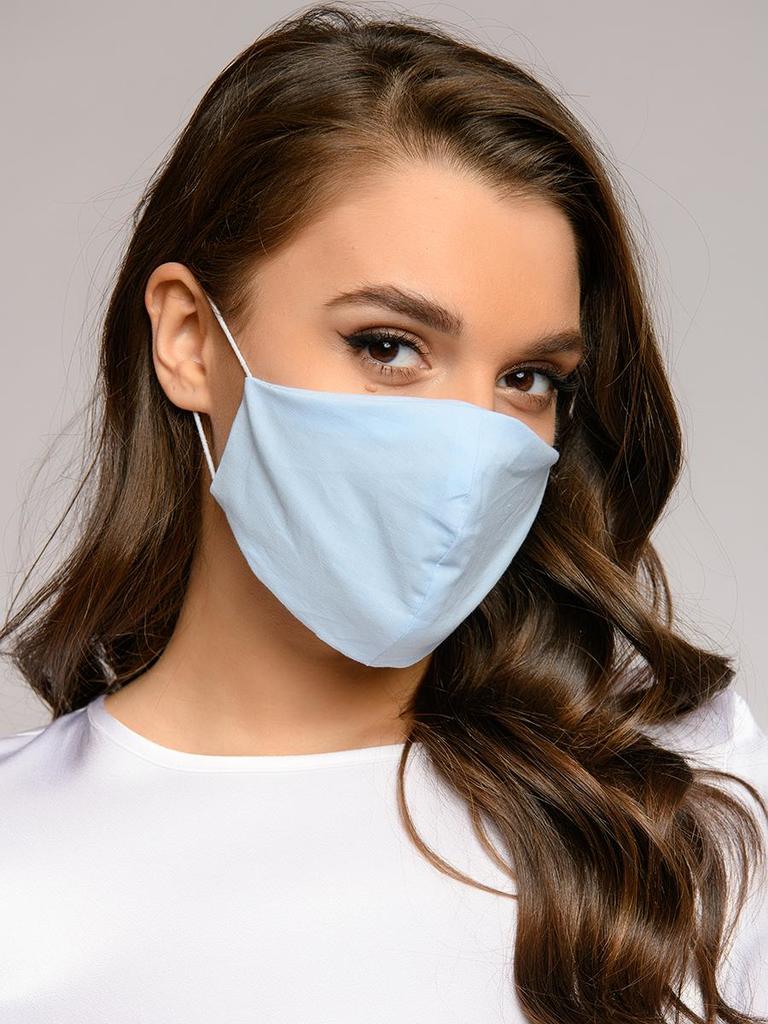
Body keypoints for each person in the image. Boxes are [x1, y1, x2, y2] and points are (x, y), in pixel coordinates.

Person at [1, 5, 766, 1022]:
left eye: (528, 377)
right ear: (190, 338)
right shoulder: (18, 852)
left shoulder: (680, 804)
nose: (470, 444)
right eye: (389, 346)